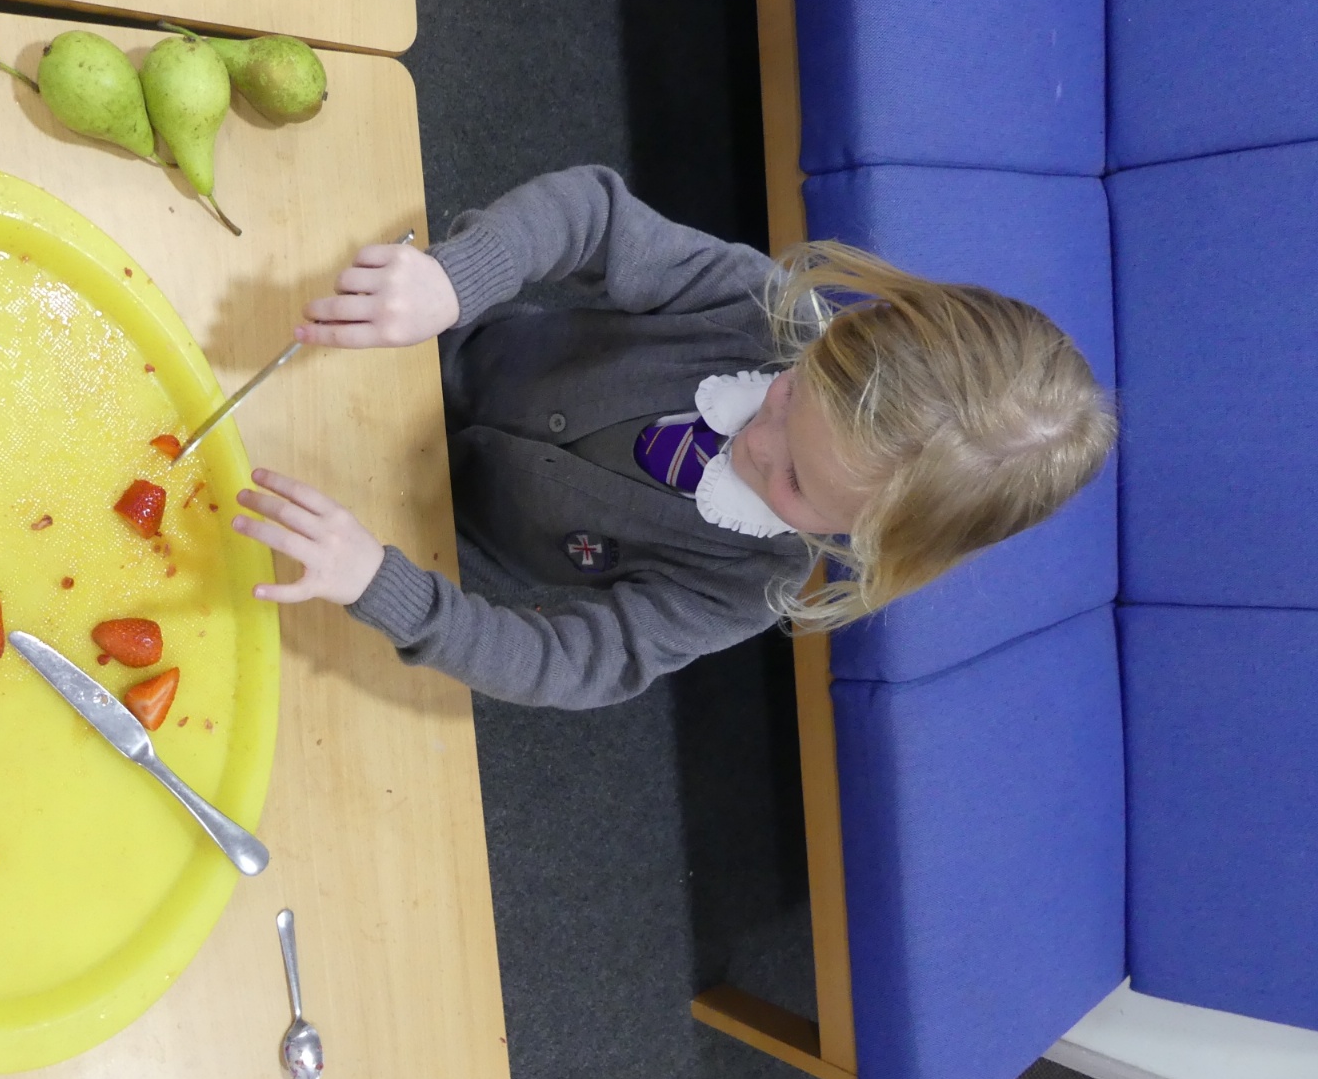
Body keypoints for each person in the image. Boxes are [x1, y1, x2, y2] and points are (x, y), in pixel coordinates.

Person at [230, 166, 1116, 709]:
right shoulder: (757, 310)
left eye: (796, 483)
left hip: (415, 536)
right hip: (414, 355)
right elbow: (593, 215)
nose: (757, 445)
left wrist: (387, 590)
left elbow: (567, 666)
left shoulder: (739, 589)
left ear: (869, 539)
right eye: (789, 397)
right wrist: (457, 280)